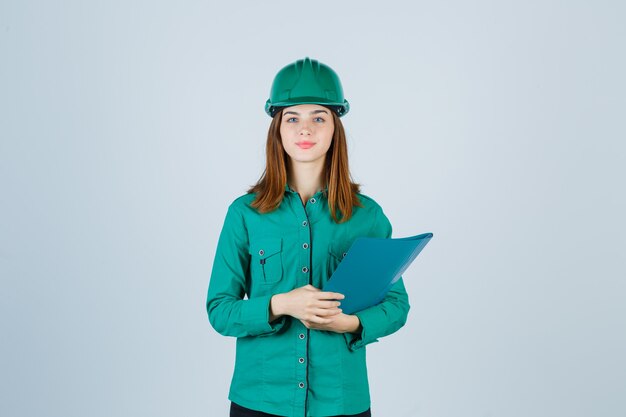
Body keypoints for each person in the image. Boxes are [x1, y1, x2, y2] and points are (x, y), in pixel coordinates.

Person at [206, 57, 410, 417]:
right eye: (292, 118)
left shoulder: (366, 215)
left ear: (335, 128)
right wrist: (281, 305)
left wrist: (349, 323)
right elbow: (220, 310)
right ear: (277, 129)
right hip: (260, 399)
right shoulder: (245, 213)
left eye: (318, 117)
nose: (305, 130)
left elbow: (396, 305)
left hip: (341, 401)